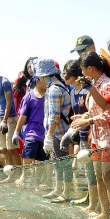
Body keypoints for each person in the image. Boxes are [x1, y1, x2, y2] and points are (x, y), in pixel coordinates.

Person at [71, 52, 110, 219]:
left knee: (109, 177)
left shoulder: (107, 85)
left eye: (82, 70)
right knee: (100, 177)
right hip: (97, 137)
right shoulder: (93, 85)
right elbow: (94, 110)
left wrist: (89, 121)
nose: (81, 74)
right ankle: (103, 211)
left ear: (90, 68)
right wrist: (84, 117)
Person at [35, 58, 73, 203]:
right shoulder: (59, 86)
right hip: (60, 132)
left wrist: (49, 136)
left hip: (59, 133)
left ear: (46, 76)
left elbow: (54, 116)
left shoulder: (53, 90)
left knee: (63, 163)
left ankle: (66, 192)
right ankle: (58, 189)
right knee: (58, 162)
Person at [61, 59, 97, 211]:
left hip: (91, 132)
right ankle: (91, 199)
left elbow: (92, 112)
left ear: (76, 76)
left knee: (93, 169)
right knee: (88, 170)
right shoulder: (72, 90)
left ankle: (94, 203)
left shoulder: (85, 90)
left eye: (67, 75)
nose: (64, 78)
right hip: (81, 133)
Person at [13, 67, 48, 187]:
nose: (48, 81)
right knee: (28, 155)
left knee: (41, 159)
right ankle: (24, 176)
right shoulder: (28, 96)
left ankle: (37, 181)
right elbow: (23, 116)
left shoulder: (49, 95)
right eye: (46, 79)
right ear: (38, 81)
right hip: (31, 132)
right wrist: (16, 132)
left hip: (44, 133)